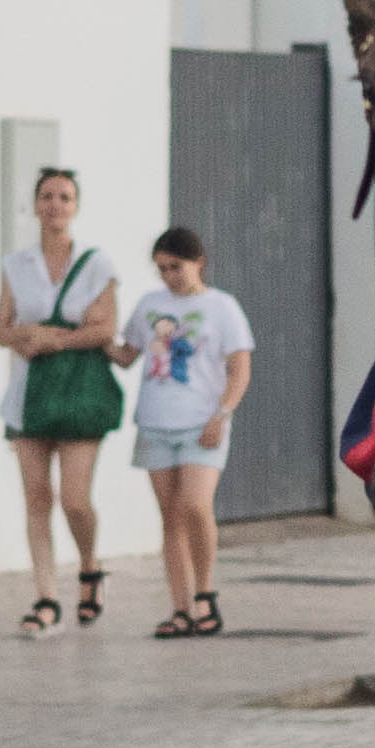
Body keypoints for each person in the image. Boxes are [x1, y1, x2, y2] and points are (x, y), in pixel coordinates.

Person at [0, 166, 120, 635]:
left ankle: (89, 565)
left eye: (64, 197)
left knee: (74, 499)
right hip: (30, 396)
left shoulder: (97, 264)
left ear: (76, 206)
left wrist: (53, 341)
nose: (55, 205)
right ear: (35, 204)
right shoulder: (16, 265)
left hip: (80, 393)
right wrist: (32, 335)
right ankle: (45, 597)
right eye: (47, 196)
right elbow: (2, 329)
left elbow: (106, 328)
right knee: (36, 499)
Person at [116, 225, 256, 637]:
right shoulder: (148, 305)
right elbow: (127, 354)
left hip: (203, 423)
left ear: (199, 262)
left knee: (196, 505)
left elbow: (240, 368)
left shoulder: (222, 307)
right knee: (170, 517)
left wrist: (222, 413)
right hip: (156, 422)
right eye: (161, 269)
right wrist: (88, 336)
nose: (169, 276)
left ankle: (205, 593)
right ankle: (179, 608)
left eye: (175, 267)